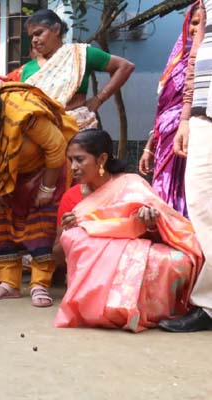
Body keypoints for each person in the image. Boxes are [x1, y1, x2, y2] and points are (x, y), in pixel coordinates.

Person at [54, 129, 202, 332]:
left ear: (102, 158)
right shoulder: (71, 197)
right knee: (80, 238)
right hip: (94, 273)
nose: (73, 167)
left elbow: (166, 234)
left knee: (176, 262)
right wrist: (69, 232)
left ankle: (138, 311)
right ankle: (108, 308)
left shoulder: (132, 184)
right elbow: (57, 257)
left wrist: (150, 223)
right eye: (70, 160)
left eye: (79, 160)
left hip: (140, 256)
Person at [0, 76, 76, 307]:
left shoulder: (24, 115)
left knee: (42, 226)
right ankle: (9, 284)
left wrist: (46, 188)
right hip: (8, 178)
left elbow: (57, 147)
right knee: (3, 224)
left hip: (46, 172)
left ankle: (40, 283)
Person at [163, 0, 212, 333]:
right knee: (203, 207)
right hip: (204, 116)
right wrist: (186, 119)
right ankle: (210, 305)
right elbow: (195, 61)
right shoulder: (205, 4)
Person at [22, 9, 134, 129]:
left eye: (39, 33)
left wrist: (99, 99)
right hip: (38, 135)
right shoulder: (28, 68)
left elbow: (125, 66)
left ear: (56, 29)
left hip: (76, 131)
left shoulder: (79, 55)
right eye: (31, 36)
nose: (34, 40)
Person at [138, 4, 201, 217]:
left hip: (193, 139)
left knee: (191, 197)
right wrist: (150, 146)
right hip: (166, 140)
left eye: (203, 23)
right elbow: (163, 108)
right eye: (194, 22)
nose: (196, 28)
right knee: (163, 197)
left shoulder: (205, 63)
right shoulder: (176, 59)